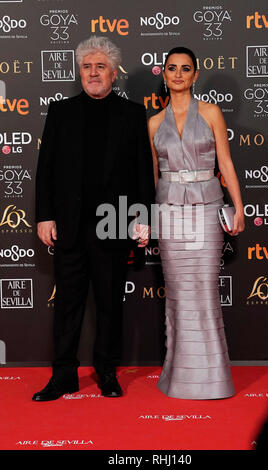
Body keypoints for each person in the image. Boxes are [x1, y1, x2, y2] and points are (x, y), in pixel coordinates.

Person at [33, 36, 155, 401]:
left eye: (100, 66)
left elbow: (142, 174)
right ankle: (64, 376)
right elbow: (46, 170)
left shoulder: (133, 114)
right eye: (86, 66)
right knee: (68, 304)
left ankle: (107, 373)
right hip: (69, 225)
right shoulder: (60, 111)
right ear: (79, 72)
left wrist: (142, 217)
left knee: (109, 303)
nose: (93, 73)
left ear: (113, 73)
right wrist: (44, 217)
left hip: (114, 222)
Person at [148, 47, 244, 399]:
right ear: (164, 74)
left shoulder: (212, 113)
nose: (178, 74)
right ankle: (179, 376)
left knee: (204, 289)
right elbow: (150, 178)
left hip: (207, 208)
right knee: (178, 294)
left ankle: (213, 377)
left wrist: (239, 206)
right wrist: (144, 219)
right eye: (171, 68)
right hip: (170, 211)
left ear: (195, 74)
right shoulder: (154, 123)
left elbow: (226, 164)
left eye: (185, 68)